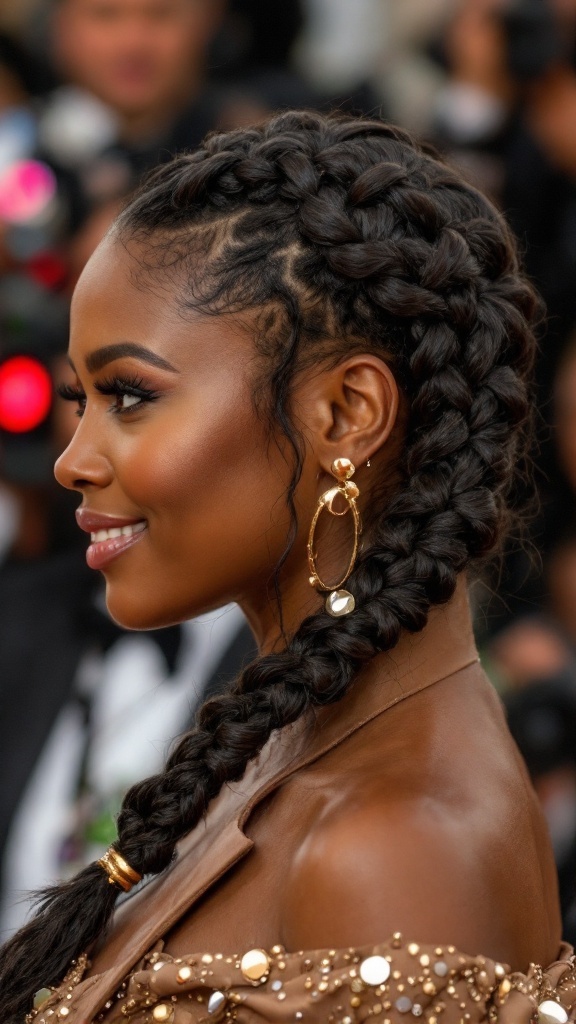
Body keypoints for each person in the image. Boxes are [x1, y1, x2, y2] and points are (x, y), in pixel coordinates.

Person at [0, 109, 572, 1024]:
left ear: (346, 414)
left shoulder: (391, 846)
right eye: (81, 400)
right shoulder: (299, 752)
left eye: (130, 396)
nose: (73, 461)